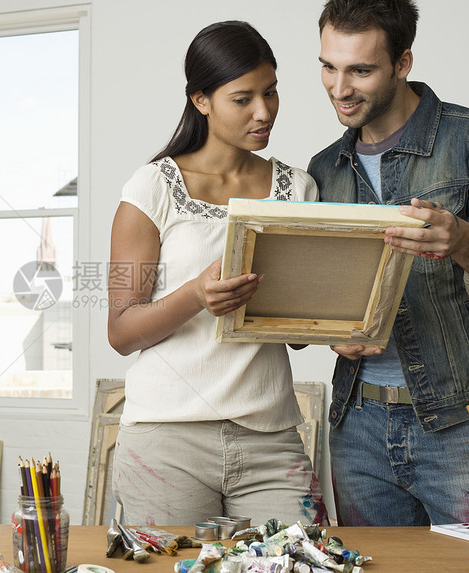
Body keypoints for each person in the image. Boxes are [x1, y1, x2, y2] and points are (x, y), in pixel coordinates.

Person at [308, 0, 469, 526]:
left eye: (360, 69)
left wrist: (462, 240)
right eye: (328, 67)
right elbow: (311, 294)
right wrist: (330, 330)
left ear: (403, 64)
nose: (340, 88)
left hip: (464, 423)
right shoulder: (323, 170)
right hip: (356, 426)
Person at [107, 20, 326, 527]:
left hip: (271, 438)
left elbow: (296, 338)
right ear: (201, 100)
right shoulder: (153, 187)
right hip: (166, 441)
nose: (264, 111)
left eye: (271, 93)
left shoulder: (298, 188)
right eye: (243, 98)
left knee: (297, 561)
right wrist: (197, 295)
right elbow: (120, 331)